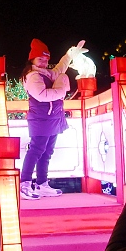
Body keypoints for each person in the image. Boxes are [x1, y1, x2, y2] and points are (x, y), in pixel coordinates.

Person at [18, 39, 85, 199]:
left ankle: (42, 184)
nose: (44, 62)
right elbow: (41, 96)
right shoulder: (33, 76)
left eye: (46, 59)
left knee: (47, 152)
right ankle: (24, 184)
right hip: (41, 119)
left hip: (52, 118)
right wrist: (61, 92)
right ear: (32, 59)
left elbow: (60, 68)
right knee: (36, 150)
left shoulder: (46, 73)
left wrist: (69, 55)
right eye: (40, 59)